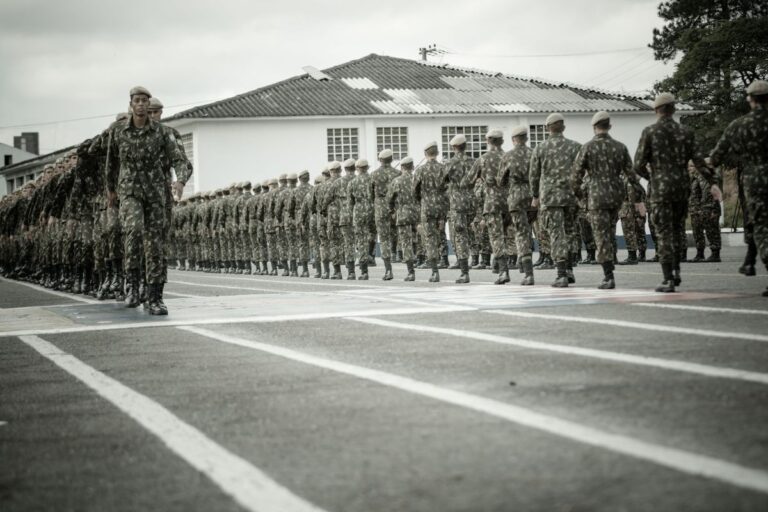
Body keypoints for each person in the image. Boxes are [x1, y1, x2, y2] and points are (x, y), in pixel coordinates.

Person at [106, 86, 191, 314]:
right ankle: (132, 285)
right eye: (138, 101)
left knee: (154, 244)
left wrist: (180, 181)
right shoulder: (118, 131)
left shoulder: (162, 133)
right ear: (131, 104)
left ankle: (155, 297)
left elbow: (180, 160)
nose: (143, 105)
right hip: (130, 191)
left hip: (156, 194)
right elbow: (111, 163)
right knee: (133, 231)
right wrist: (111, 191)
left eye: (146, 101)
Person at [634, 92, 721, 293]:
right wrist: (713, 182)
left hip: (660, 191)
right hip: (682, 190)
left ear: (656, 110)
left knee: (664, 232)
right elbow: (699, 162)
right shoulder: (686, 132)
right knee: (677, 228)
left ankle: (669, 277)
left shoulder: (650, 132)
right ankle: (677, 269)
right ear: (673, 109)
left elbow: (638, 165)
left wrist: (652, 178)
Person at [709, 79, 768, 296]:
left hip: (756, 184)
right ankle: (749, 260)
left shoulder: (739, 125)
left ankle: (754, 262)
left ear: (750, 100)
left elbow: (716, 156)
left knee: (762, 227)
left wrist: (712, 178)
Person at [573, 111, 645, 289]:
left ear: (594, 127)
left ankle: (608, 275)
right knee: (610, 231)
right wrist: (638, 199)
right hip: (616, 197)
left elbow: (575, 176)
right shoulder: (620, 147)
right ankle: (611, 262)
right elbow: (632, 175)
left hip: (597, 197)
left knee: (601, 236)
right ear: (609, 126)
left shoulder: (588, 148)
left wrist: (580, 196)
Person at [530, 113, 581, 287]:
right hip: (570, 197)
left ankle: (561, 274)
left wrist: (535, 196)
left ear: (547, 128)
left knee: (556, 233)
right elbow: (582, 173)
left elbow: (534, 175)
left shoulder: (540, 148)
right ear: (563, 127)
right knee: (570, 232)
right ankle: (570, 270)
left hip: (550, 198)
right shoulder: (575, 147)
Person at [499, 126, 535, 285]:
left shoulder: (508, 156)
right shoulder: (534, 153)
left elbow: (501, 180)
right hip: (533, 197)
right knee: (529, 230)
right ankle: (523, 258)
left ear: (514, 140)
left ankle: (528, 273)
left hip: (516, 198)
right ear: (526, 139)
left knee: (520, 232)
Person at [444, 134, 475, 283]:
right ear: (465, 146)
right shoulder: (474, 162)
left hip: (458, 203)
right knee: (475, 233)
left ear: (454, 147)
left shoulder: (450, 163)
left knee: (460, 236)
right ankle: (482, 260)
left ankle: (464, 271)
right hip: (473, 201)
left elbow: (441, 182)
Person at [414, 141, 446, 283]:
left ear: (425, 154)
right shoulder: (443, 169)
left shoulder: (420, 170)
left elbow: (414, 191)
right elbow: (447, 189)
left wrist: (421, 200)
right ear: (437, 153)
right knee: (440, 236)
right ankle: (444, 258)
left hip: (426, 207)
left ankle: (434, 271)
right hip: (441, 206)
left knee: (430, 238)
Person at [372, 149, 397, 280]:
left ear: (380, 160)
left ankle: (388, 269)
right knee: (400, 235)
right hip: (396, 207)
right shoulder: (397, 173)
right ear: (391, 159)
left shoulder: (374, 174)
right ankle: (409, 266)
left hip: (381, 206)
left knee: (384, 238)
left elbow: (370, 194)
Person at [348, 159, 374, 280]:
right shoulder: (373, 180)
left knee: (361, 241)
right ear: (367, 168)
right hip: (373, 210)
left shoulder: (352, 183)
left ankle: (364, 271)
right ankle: (373, 256)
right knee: (374, 236)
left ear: (357, 169)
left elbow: (350, 203)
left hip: (358, 212)